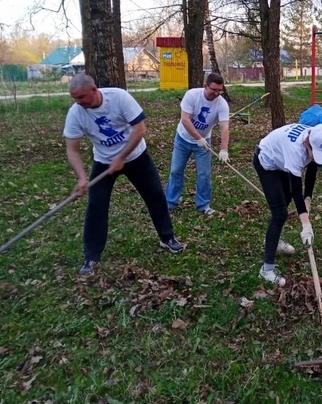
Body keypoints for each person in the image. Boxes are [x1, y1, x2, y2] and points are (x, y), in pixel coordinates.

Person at [64, 74, 184, 276]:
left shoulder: (118, 98)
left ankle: (167, 238)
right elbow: (72, 149)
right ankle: (91, 256)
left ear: (94, 90)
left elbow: (140, 129)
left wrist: (122, 156)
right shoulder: (76, 113)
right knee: (96, 206)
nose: (78, 102)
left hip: (136, 157)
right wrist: (82, 177)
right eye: (74, 98)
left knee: (155, 195)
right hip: (103, 162)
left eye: (81, 97)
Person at [253, 122, 322, 286]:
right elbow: (297, 189)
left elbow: (312, 170)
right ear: (307, 144)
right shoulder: (295, 149)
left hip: (280, 162)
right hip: (266, 162)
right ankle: (266, 269)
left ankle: (273, 241)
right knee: (279, 213)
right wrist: (306, 225)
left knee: (286, 199)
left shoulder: (317, 138)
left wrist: (308, 198)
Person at [165, 73, 230, 215]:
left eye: (220, 90)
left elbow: (224, 127)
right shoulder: (192, 95)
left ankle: (203, 205)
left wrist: (223, 149)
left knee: (204, 174)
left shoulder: (221, 104)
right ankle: (170, 203)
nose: (217, 93)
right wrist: (198, 138)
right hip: (183, 139)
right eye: (214, 89)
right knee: (176, 170)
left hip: (204, 143)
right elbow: (185, 119)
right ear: (206, 86)